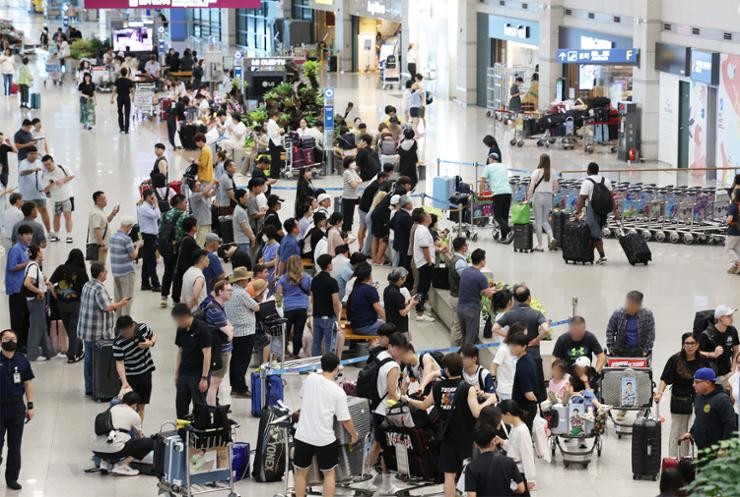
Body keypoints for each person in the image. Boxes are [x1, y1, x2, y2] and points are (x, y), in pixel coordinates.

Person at [401, 353, 496, 497]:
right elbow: (476, 412)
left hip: (446, 436)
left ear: (446, 370)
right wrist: (490, 401)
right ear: (461, 367)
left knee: (449, 476)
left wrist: (407, 399)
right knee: (470, 472)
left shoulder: (437, 387)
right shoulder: (467, 388)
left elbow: (423, 405)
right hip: (466, 437)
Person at [293, 353, 359, 497]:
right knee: (329, 474)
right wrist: (354, 435)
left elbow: (303, 396)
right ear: (337, 368)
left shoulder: (309, 379)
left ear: (321, 365)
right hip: (324, 439)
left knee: (301, 472)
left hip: (303, 435)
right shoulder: (338, 391)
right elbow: (344, 419)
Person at [78, 263, 129, 397]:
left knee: (88, 360)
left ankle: (89, 387)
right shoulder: (99, 289)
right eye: (105, 271)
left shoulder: (87, 284)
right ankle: (98, 387)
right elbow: (106, 307)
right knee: (97, 362)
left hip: (86, 330)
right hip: (97, 332)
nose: (107, 273)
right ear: (100, 273)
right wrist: (120, 303)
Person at [367, 332, 408, 494]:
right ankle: (386, 485)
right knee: (387, 449)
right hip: (385, 412)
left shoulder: (380, 356)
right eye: (398, 349)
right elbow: (392, 393)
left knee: (377, 445)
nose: (399, 352)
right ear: (391, 347)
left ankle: (365, 477)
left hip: (376, 408)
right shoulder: (393, 366)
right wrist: (401, 400)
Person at [654, 333, 707, 457]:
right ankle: (674, 459)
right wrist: (660, 393)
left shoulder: (703, 361)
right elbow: (665, 379)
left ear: (697, 345)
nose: (689, 346)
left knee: (693, 430)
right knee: (677, 432)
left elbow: (709, 380)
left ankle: (691, 459)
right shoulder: (675, 360)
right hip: (679, 401)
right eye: (687, 343)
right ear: (683, 345)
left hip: (697, 401)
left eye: (692, 343)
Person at [493, 285, 549, 400]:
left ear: (516, 299)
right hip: (534, 355)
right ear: (529, 297)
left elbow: (494, 328)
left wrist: (511, 336)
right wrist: (536, 340)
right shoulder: (536, 313)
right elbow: (546, 329)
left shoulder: (510, 314)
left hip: (516, 356)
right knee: (537, 388)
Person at [0, 329, 35, 490]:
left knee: (15, 445)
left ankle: (12, 478)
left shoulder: (22, 361)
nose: (10, 340)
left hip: (16, 408)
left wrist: (30, 405)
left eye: (13, 338)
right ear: (1, 341)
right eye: (6, 338)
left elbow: (27, 383)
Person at [90, 392, 154, 476]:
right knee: (149, 442)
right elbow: (139, 437)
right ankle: (122, 465)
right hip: (115, 451)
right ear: (135, 405)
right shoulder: (134, 415)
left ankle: (104, 463)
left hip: (96, 450)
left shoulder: (112, 409)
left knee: (111, 437)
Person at [225, 267, 260, 398]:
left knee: (235, 359)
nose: (248, 280)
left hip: (234, 330)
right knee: (243, 361)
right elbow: (256, 307)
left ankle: (234, 386)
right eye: (247, 279)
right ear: (241, 280)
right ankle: (241, 388)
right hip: (245, 331)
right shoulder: (242, 293)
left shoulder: (230, 291)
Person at [172, 303, 212, 419]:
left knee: (199, 406)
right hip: (184, 372)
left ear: (184, 317)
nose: (178, 323)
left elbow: (207, 355)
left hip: (198, 373)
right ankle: (182, 432)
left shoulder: (202, 329)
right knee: (181, 405)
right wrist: (177, 373)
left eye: (178, 320)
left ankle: (200, 432)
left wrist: (204, 378)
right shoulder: (181, 329)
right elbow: (180, 351)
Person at [112, 316, 156, 421]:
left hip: (145, 373)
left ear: (133, 326)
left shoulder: (143, 328)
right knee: (128, 407)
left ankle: (138, 431)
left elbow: (153, 335)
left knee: (141, 406)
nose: (125, 334)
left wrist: (150, 343)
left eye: (127, 331)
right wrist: (124, 382)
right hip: (129, 377)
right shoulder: (118, 343)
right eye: (122, 332)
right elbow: (119, 362)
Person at [48, 248, 88, 363]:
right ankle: (72, 355)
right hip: (75, 304)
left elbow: (49, 283)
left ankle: (77, 350)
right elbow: (85, 289)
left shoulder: (61, 268)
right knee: (74, 330)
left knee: (70, 330)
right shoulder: (81, 271)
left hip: (62, 304)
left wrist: (55, 293)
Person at [682, 367, 738, 450]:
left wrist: (724, 447)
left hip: (717, 449)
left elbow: (730, 424)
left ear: (708, 383)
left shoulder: (722, 399)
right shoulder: (699, 397)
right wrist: (691, 432)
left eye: (697, 382)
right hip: (702, 448)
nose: (693, 385)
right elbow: (700, 418)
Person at [464, 424, 525, 497]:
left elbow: (471, 495)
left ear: (476, 444)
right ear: (494, 441)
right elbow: (521, 488)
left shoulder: (471, 467)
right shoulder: (509, 461)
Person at [575, 162, 617, 264]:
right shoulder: (606, 180)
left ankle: (602, 256)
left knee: (595, 234)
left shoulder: (587, 182)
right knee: (594, 232)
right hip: (604, 210)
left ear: (588, 170)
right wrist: (615, 211)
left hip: (593, 209)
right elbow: (612, 197)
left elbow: (582, 199)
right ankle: (588, 255)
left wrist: (577, 212)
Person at [203, 281, 234, 406]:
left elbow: (229, 327)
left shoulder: (217, 307)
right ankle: (212, 409)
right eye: (228, 290)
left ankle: (212, 406)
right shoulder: (216, 311)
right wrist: (230, 331)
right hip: (220, 351)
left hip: (218, 349)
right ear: (220, 292)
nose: (231, 293)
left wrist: (229, 329)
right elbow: (230, 333)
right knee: (215, 383)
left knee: (214, 383)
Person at [23, 245, 55, 362]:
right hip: (36, 301)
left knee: (41, 326)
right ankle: (32, 354)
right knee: (36, 328)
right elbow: (27, 283)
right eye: (40, 251)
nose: (42, 253)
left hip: (36, 301)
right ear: (37, 253)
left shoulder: (33, 266)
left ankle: (48, 351)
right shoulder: (33, 267)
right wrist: (39, 291)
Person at [457, 249, 496, 344]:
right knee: (470, 339)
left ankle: (462, 355)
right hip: (471, 310)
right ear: (482, 261)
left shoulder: (466, 271)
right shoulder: (480, 276)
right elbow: (488, 294)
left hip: (460, 308)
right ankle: (467, 357)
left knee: (464, 336)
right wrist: (494, 291)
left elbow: (475, 289)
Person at [497, 400, 536, 494]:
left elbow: (527, 455)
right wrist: (502, 442)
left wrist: (530, 479)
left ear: (508, 414)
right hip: (514, 471)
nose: (502, 420)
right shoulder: (515, 427)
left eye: (502, 416)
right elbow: (513, 446)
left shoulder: (522, 431)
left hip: (521, 473)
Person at [276, 255, 312, 358]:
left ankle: (283, 352)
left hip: (288, 308)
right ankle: (296, 353)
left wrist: (279, 308)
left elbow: (279, 295)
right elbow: (311, 293)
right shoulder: (307, 278)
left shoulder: (283, 279)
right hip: (302, 307)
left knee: (285, 332)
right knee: (298, 331)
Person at [5, 225, 32, 350]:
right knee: (17, 318)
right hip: (16, 288)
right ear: (20, 236)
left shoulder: (25, 249)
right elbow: (12, 266)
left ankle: (24, 343)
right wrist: (28, 263)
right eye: (26, 234)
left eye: (30, 234)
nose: (29, 237)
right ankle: (18, 344)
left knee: (25, 316)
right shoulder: (16, 249)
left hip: (24, 287)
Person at [605, 290, 656, 358]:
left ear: (639, 305)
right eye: (627, 303)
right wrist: (611, 349)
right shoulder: (618, 313)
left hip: (640, 351)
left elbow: (651, 335)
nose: (628, 306)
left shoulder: (647, 315)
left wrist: (646, 351)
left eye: (632, 305)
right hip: (620, 350)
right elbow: (610, 331)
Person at [110, 216, 142, 318]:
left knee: (118, 299)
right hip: (126, 272)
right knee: (127, 298)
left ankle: (118, 321)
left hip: (116, 271)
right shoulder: (126, 239)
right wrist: (137, 246)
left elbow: (122, 250)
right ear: (128, 226)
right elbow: (133, 256)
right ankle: (126, 322)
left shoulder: (113, 237)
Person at [159, 195, 188, 307]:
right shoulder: (183, 215)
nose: (186, 204)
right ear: (179, 203)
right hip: (178, 247)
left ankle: (164, 296)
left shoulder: (165, 214)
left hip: (166, 246)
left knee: (168, 271)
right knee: (178, 274)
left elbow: (160, 229)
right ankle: (176, 299)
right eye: (185, 202)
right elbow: (182, 232)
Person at [698, 305, 739, 385]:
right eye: (728, 316)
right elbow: (697, 353)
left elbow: (736, 350)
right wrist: (712, 354)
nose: (731, 318)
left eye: (731, 315)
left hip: (728, 373)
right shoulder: (707, 334)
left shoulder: (732, 331)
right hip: (713, 375)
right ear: (720, 318)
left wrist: (733, 368)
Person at [311, 254, 341, 357]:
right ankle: (328, 366)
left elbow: (312, 299)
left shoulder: (314, 280)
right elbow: (335, 302)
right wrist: (338, 318)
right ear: (329, 265)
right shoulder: (332, 282)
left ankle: (313, 364)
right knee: (329, 344)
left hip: (317, 316)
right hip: (329, 317)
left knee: (316, 343)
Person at [527, 153, 559, 251]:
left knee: (538, 222)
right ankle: (552, 238)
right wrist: (551, 192)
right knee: (545, 220)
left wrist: (528, 199)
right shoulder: (552, 172)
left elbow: (532, 187)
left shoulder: (536, 172)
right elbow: (556, 187)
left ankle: (540, 245)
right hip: (548, 197)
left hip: (538, 197)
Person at [508, 331, 539, 431]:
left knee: (524, 439)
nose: (511, 348)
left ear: (523, 347)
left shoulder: (523, 365)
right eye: (511, 345)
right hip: (529, 408)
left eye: (514, 345)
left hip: (524, 409)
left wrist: (534, 400)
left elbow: (528, 394)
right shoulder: (529, 359)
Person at [17, 147, 51, 234]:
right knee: (27, 214)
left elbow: (45, 174)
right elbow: (22, 172)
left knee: (44, 210)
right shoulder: (23, 163)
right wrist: (33, 170)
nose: (34, 155)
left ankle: (49, 231)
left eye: (35, 153)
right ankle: (26, 232)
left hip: (39, 193)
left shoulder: (40, 162)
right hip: (26, 195)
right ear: (27, 154)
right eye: (31, 154)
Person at [347, 262, 385, 335]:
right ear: (369, 275)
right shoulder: (370, 289)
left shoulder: (356, 287)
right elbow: (378, 309)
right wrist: (389, 322)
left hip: (355, 325)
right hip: (366, 327)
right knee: (395, 329)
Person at [482, 152, 513, 243]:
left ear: (491, 159)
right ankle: (504, 237)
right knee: (504, 216)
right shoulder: (503, 166)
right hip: (508, 193)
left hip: (498, 194)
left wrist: (481, 192)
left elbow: (482, 180)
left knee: (497, 216)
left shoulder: (488, 167)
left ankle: (509, 231)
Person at [412, 210, 436, 322]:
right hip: (425, 263)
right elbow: (425, 247)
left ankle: (420, 308)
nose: (430, 216)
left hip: (424, 262)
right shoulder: (422, 230)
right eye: (428, 215)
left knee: (423, 287)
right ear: (424, 218)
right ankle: (419, 311)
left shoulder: (423, 229)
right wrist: (429, 261)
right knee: (423, 288)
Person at [491, 323, 524, 401]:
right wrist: (493, 383)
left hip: (517, 389)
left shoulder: (521, 349)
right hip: (506, 391)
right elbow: (493, 366)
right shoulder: (504, 349)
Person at [137, 190, 161, 292]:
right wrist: (156, 204)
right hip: (148, 237)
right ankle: (155, 284)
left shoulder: (148, 207)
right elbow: (157, 215)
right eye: (152, 197)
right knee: (151, 261)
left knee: (147, 261)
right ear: (146, 197)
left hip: (151, 236)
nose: (154, 199)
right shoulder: (144, 208)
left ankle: (145, 283)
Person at [87, 191, 119, 264]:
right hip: (98, 247)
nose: (106, 200)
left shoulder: (99, 211)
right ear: (98, 201)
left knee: (99, 267)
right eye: (104, 199)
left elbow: (105, 222)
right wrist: (102, 244)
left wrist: (113, 214)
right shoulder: (96, 213)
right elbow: (96, 229)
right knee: (99, 268)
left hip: (100, 245)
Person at [383, 267, 415, 338]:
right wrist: (412, 304)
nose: (405, 281)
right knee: (402, 348)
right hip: (399, 329)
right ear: (400, 279)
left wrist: (407, 303)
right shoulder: (396, 294)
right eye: (404, 279)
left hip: (391, 325)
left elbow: (394, 306)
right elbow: (403, 313)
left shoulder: (387, 289)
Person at [189, 180, 217, 246]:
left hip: (207, 222)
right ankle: (198, 255)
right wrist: (212, 182)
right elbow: (205, 192)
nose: (201, 186)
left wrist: (217, 187)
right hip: (202, 223)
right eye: (199, 185)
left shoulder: (202, 195)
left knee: (209, 242)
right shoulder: (194, 196)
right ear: (194, 188)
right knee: (200, 242)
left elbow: (212, 194)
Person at [341, 157, 362, 232]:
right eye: (352, 162)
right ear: (347, 164)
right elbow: (354, 185)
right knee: (346, 217)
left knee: (350, 216)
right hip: (348, 197)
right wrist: (357, 181)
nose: (354, 163)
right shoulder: (347, 172)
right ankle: (345, 232)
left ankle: (349, 230)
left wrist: (357, 181)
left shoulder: (353, 171)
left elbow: (360, 180)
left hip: (354, 197)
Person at [111, 68, 134, 134]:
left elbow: (114, 90)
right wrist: (133, 97)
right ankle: (126, 129)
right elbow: (132, 90)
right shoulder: (129, 81)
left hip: (120, 97)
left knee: (120, 112)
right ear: (126, 73)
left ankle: (121, 128)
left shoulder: (117, 81)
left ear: (121, 73)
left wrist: (112, 98)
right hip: (127, 97)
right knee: (127, 113)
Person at [266, 111, 284, 179]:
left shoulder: (273, 123)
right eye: (277, 117)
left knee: (276, 160)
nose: (278, 118)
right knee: (275, 160)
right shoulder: (271, 123)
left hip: (275, 143)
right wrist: (280, 130)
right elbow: (273, 134)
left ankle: (276, 174)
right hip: (273, 143)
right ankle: (273, 175)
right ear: (274, 116)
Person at [727, 189, 740, 274]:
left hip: (733, 231)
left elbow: (729, 220)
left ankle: (738, 262)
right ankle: (734, 267)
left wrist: (727, 221)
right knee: (737, 249)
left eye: (733, 193)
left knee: (729, 249)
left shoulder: (733, 206)